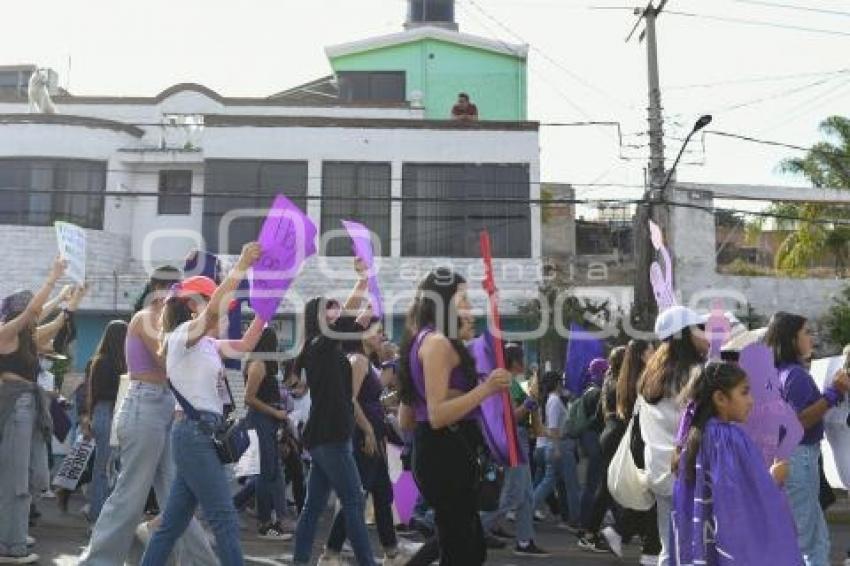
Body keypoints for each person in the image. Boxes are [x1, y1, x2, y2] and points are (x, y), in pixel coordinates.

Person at [80, 265, 218, 566]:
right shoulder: (145, 318)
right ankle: (97, 561)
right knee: (130, 495)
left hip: (166, 407)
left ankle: (201, 562)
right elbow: (168, 359)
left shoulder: (173, 325)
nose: (178, 297)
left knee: (179, 498)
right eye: (176, 291)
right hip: (145, 405)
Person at [141, 243, 265, 566]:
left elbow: (247, 344)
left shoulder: (207, 343)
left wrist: (266, 311)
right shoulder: (182, 335)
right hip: (194, 435)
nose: (224, 309)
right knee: (224, 517)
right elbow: (212, 313)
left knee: (170, 527)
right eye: (216, 302)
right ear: (195, 306)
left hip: (199, 436)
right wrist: (240, 265)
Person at [398, 268, 511, 565]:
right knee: (461, 550)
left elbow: (408, 417)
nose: (469, 307)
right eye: (463, 299)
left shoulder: (419, 339)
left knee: (468, 546)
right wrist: (486, 389)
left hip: (437, 452)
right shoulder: (436, 343)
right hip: (443, 453)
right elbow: (436, 415)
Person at [670, 362, 801, 565]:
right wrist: (774, 478)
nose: (751, 401)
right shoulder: (729, 438)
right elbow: (740, 498)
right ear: (720, 398)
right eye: (744, 393)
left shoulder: (694, 436)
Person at [321, 314, 414, 565]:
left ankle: (391, 551)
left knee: (382, 493)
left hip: (373, 434)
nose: (382, 336)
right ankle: (330, 553)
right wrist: (369, 431)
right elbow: (349, 400)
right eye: (377, 331)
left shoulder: (366, 360)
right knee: (357, 496)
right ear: (362, 333)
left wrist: (387, 402)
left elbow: (367, 399)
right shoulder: (359, 360)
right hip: (364, 437)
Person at [292, 296, 376, 566]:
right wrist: (361, 286)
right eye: (329, 308)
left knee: (313, 507)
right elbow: (343, 325)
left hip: (328, 436)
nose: (335, 312)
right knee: (353, 501)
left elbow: (348, 327)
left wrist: (362, 318)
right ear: (318, 316)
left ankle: (301, 561)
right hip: (330, 438)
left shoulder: (325, 347)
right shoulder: (319, 345)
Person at [766, 312, 850, 566]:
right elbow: (800, 421)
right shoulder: (795, 375)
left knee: (812, 535)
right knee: (809, 540)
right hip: (800, 456)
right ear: (792, 339)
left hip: (791, 456)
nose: (811, 339)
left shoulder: (779, 371)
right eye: (806, 333)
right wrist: (834, 392)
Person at [0, 258, 66, 564]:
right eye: (26, 307)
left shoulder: (27, 338)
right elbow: (33, 311)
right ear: (15, 312)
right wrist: (52, 278)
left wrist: (69, 301)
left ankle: (12, 531)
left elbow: (43, 314)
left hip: (31, 407)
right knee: (15, 480)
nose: (34, 310)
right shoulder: (5, 334)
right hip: (14, 406)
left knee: (34, 477)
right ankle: (10, 544)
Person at [638, 305, 709, 566]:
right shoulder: (695, 374)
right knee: (692, 546)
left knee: (670, 544)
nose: (706, 334)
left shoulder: (651, 372)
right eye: (700, 328)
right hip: (687, 471)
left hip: (659, 469)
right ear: (684, 335)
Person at [480, 342, 550, 557]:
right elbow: (509, 419)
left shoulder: (513, 383)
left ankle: (525, 541)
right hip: (511, 441)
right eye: (522, 359)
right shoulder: (506, 384)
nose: (526, 364)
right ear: (516, 362)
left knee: (527, 495)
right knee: (512, 495)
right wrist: (529, 404)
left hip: (517, 440)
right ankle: (470, 526)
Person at [242, 326, 293, 540]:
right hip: (261, 419)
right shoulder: (258, 364)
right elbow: (249, 398)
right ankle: (265, 523)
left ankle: (278, 517)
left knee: (272, 470)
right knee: (265, 472)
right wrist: (275, 412)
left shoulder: (264, 365)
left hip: (269, 419)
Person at [83, 320, 128, 523]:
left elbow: (92, 393)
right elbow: (102, 392)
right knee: (107, 468)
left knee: (106, 467)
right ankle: (99, 516)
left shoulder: (99, 360)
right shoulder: (109, 362)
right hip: (109, 412)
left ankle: (100, 514)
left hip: (104, 413)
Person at [532, 371, 582, 532]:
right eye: (561, 382)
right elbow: (553, 427)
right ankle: (574, 520)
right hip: (559, 447)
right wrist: (557, 447)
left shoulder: (549, 400)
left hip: (553, 447)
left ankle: (526, 509)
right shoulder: (554, 401)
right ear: (557, 383)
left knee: (548, 483)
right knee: (570, 485)